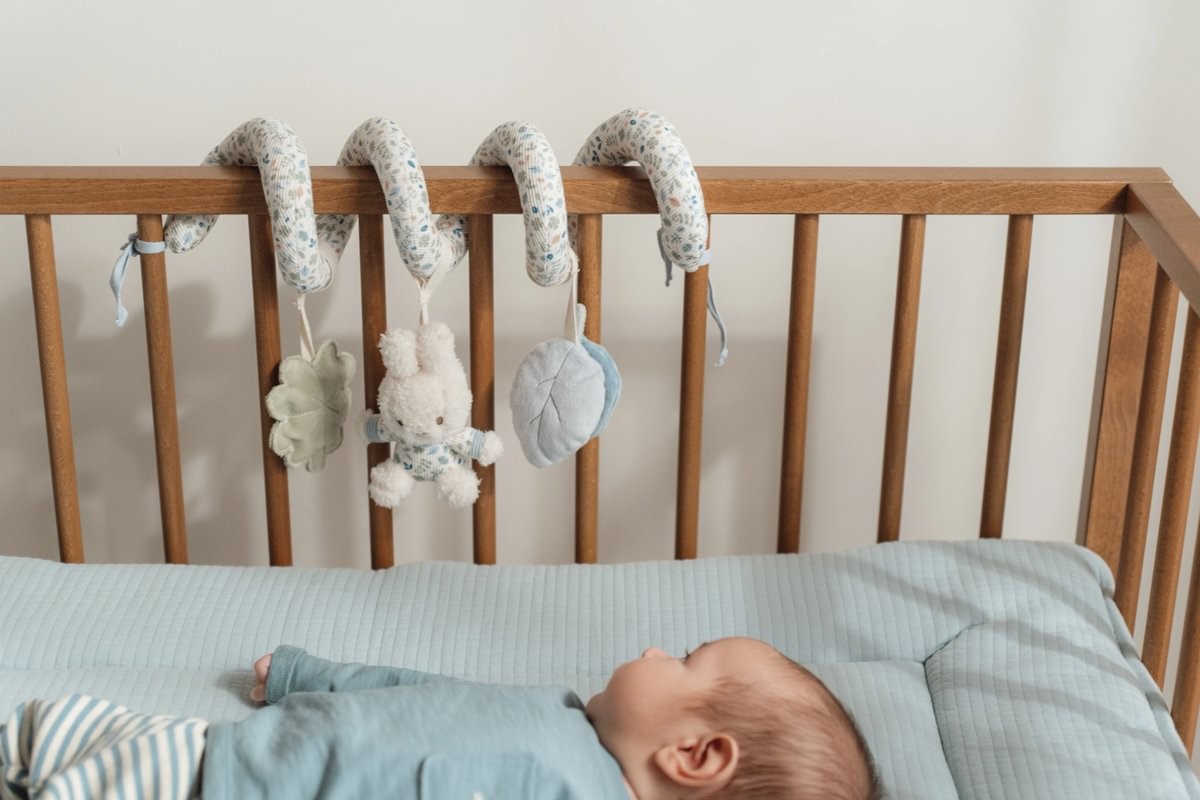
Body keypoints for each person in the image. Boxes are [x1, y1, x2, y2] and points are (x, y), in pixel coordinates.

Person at [0, 637, 881, 799]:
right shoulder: (560, 715)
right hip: (223, 749)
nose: (653, 650)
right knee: (52, 728)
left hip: (237, 787)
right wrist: (310, 675)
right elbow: (417, 691)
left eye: (684, 660)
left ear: (694, 754)